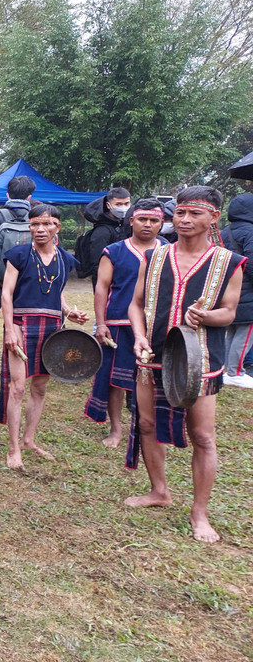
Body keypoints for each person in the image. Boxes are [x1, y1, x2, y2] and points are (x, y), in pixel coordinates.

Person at [127, 186, 246, 543]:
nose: (185, 220)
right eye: (180, 212)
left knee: (203, 437)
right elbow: (135, 305)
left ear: (213, 217)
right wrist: (138, 335)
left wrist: (208, 315)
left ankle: (200, 512)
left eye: (195, 213)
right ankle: (159, 491)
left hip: (201, 360)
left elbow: (229, 313)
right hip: (152, 354)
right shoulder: (155, 257)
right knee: (147, 424)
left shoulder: (228, 262)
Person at [0, 204, 88, 469]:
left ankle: (29, 440)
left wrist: (69, 312)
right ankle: (14, 447)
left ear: (57, 227)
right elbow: (6, 294)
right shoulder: (18, 255)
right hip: (21, 324)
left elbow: (56, 291)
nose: (40, 229)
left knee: (39, 387)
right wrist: (9, 329)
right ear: (30, 226)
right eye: (35, 224)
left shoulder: (65, 259)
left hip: (52, 329)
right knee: (17, 387)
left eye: (47, 224)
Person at [84, 199, 166, 447]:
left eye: (154, 220)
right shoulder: (114, 251)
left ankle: (148, 428)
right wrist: (100, 323)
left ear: (161, 223)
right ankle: (116, 429)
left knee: (153, 379)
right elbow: (102, 288)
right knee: (114, 380)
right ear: (131, 221)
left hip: (156, 325)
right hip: (118, 322)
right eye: (142, 219)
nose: (147, 225)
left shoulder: (168, 251)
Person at [0, 174, 35, 388]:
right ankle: (13, 367)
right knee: (14, 325)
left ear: (7, 195)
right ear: (30, 197)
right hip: (22, 284)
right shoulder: (37, 217)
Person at [220, 192, 253, 388]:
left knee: (231, 330)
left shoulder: (225, 231)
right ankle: (236, 372)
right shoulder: (250, 231)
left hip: (229, 288)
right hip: (248, 290)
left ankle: (226, 369)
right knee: (246, 332)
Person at [78, 187, 131, 288]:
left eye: (126, 204)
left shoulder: (126, 226)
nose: (123, 207)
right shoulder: (102, 232)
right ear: (108, 205)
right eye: (118, 204)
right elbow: (97, 264)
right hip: (108, 283)